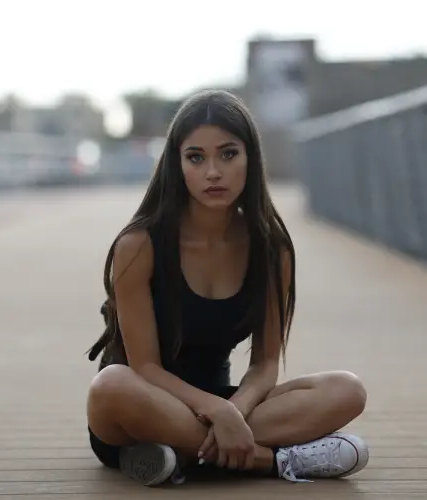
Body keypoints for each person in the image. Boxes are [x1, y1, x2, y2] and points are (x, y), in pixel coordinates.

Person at [85, 89, 368, 487]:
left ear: (251, 158)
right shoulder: (140, 245)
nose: (213, 172)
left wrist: (234, 408)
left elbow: (266, 364)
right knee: (111, 384)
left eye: (228, 154)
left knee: (347, 390)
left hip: (227, 402)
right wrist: (217, 413)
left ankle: (177, 455)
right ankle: (271, 462)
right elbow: (145, 368)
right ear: (177, 164)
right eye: (196, 157)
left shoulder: (271, 249)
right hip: (140, 406)